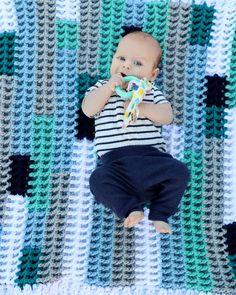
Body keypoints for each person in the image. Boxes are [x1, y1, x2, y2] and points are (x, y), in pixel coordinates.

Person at [82, 31, 190, 234]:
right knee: (97, 180)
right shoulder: (100, 88)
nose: (126, 66)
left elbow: (167, 116)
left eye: (137, 63)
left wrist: (143, 108)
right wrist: (107, 88)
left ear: (153, 74)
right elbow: (89, 109)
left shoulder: (149, 92)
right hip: (116, 167)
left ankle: (160, 213)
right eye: (121, 58)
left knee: (179, 171)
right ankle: (131, 209)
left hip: (152, 161)